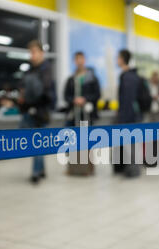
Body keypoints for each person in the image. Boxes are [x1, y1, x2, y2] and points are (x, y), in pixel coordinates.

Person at [19, 40, 56, 184]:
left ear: (42, 53)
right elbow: (22, 86)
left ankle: (36, 172)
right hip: (29, 110)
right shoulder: (29, 70)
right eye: (30, 52)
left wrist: (29, 98)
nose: (32, 55)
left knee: (37, 142)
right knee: (38, 142)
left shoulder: (46, 70)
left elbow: (43, 92)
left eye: (34, 52)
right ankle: (41, 170)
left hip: (41, 111)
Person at [114, 49, 142, 178]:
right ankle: (127, 169)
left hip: (129, 117)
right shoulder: (129, 75)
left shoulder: (127, 77)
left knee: (130, 144)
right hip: (130, 115)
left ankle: (133, 171)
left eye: (118, 57)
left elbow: (127, 100)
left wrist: (122, 117)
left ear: (123, 59)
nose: (116, 59)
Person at [64, 51, 101, 126]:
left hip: (88, 114)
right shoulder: (71, 79)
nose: (79, 62)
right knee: (74, 134)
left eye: (81, 59)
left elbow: (97, 94)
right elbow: (66, 96)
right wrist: (74, 100)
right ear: (74, 61)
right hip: (74, 114)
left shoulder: (92, 79)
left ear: (85, 60)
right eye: (77, 59)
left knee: (85, 134)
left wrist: (85, 99)